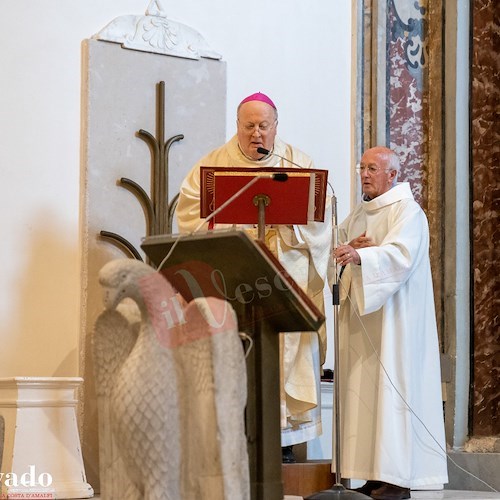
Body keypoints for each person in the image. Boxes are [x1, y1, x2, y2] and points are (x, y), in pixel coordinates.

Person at [176, 92, 332, 461]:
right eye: (249, 126)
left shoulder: (298, 163)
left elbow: (321, 222)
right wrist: (241, 226)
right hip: (234, 282)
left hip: (285, 281)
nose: (257, 134)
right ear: (238, 126)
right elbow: (190, 219)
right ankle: (235, 442)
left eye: (264, 126)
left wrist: (289, 225)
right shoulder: (212, 166)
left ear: (276, 126)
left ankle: (286, 444)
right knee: (233, 354)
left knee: (286, 352)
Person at [332, 146, 448, 499]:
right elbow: (338, 250)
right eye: (362, 167)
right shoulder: (357, 213)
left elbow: (401, 255)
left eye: (373, 168)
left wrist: (363, 256)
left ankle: (397, 478)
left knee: (390, 392)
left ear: (392, 175)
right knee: (363, 396)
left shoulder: (408, 212)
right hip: (363, 326)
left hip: (395, 324)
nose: (365, 174)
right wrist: (346, 249)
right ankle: (370, 473)